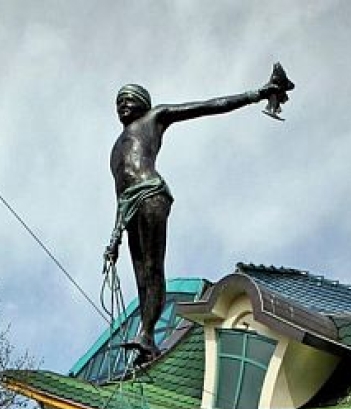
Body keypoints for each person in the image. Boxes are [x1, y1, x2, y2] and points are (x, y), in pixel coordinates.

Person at [104, 65, 293, 363]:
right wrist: (114, 237)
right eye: (118, 102)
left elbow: (208, 107)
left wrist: (256, 94)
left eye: (128, 100)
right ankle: (147, 338)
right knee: (141, 276)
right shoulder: (115, 150)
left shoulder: (155, 118)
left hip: (151, 193)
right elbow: (119, 191)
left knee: (153, 268)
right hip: (129, 206)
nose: (122, 106)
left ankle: (147, 334)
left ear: (143, 103)